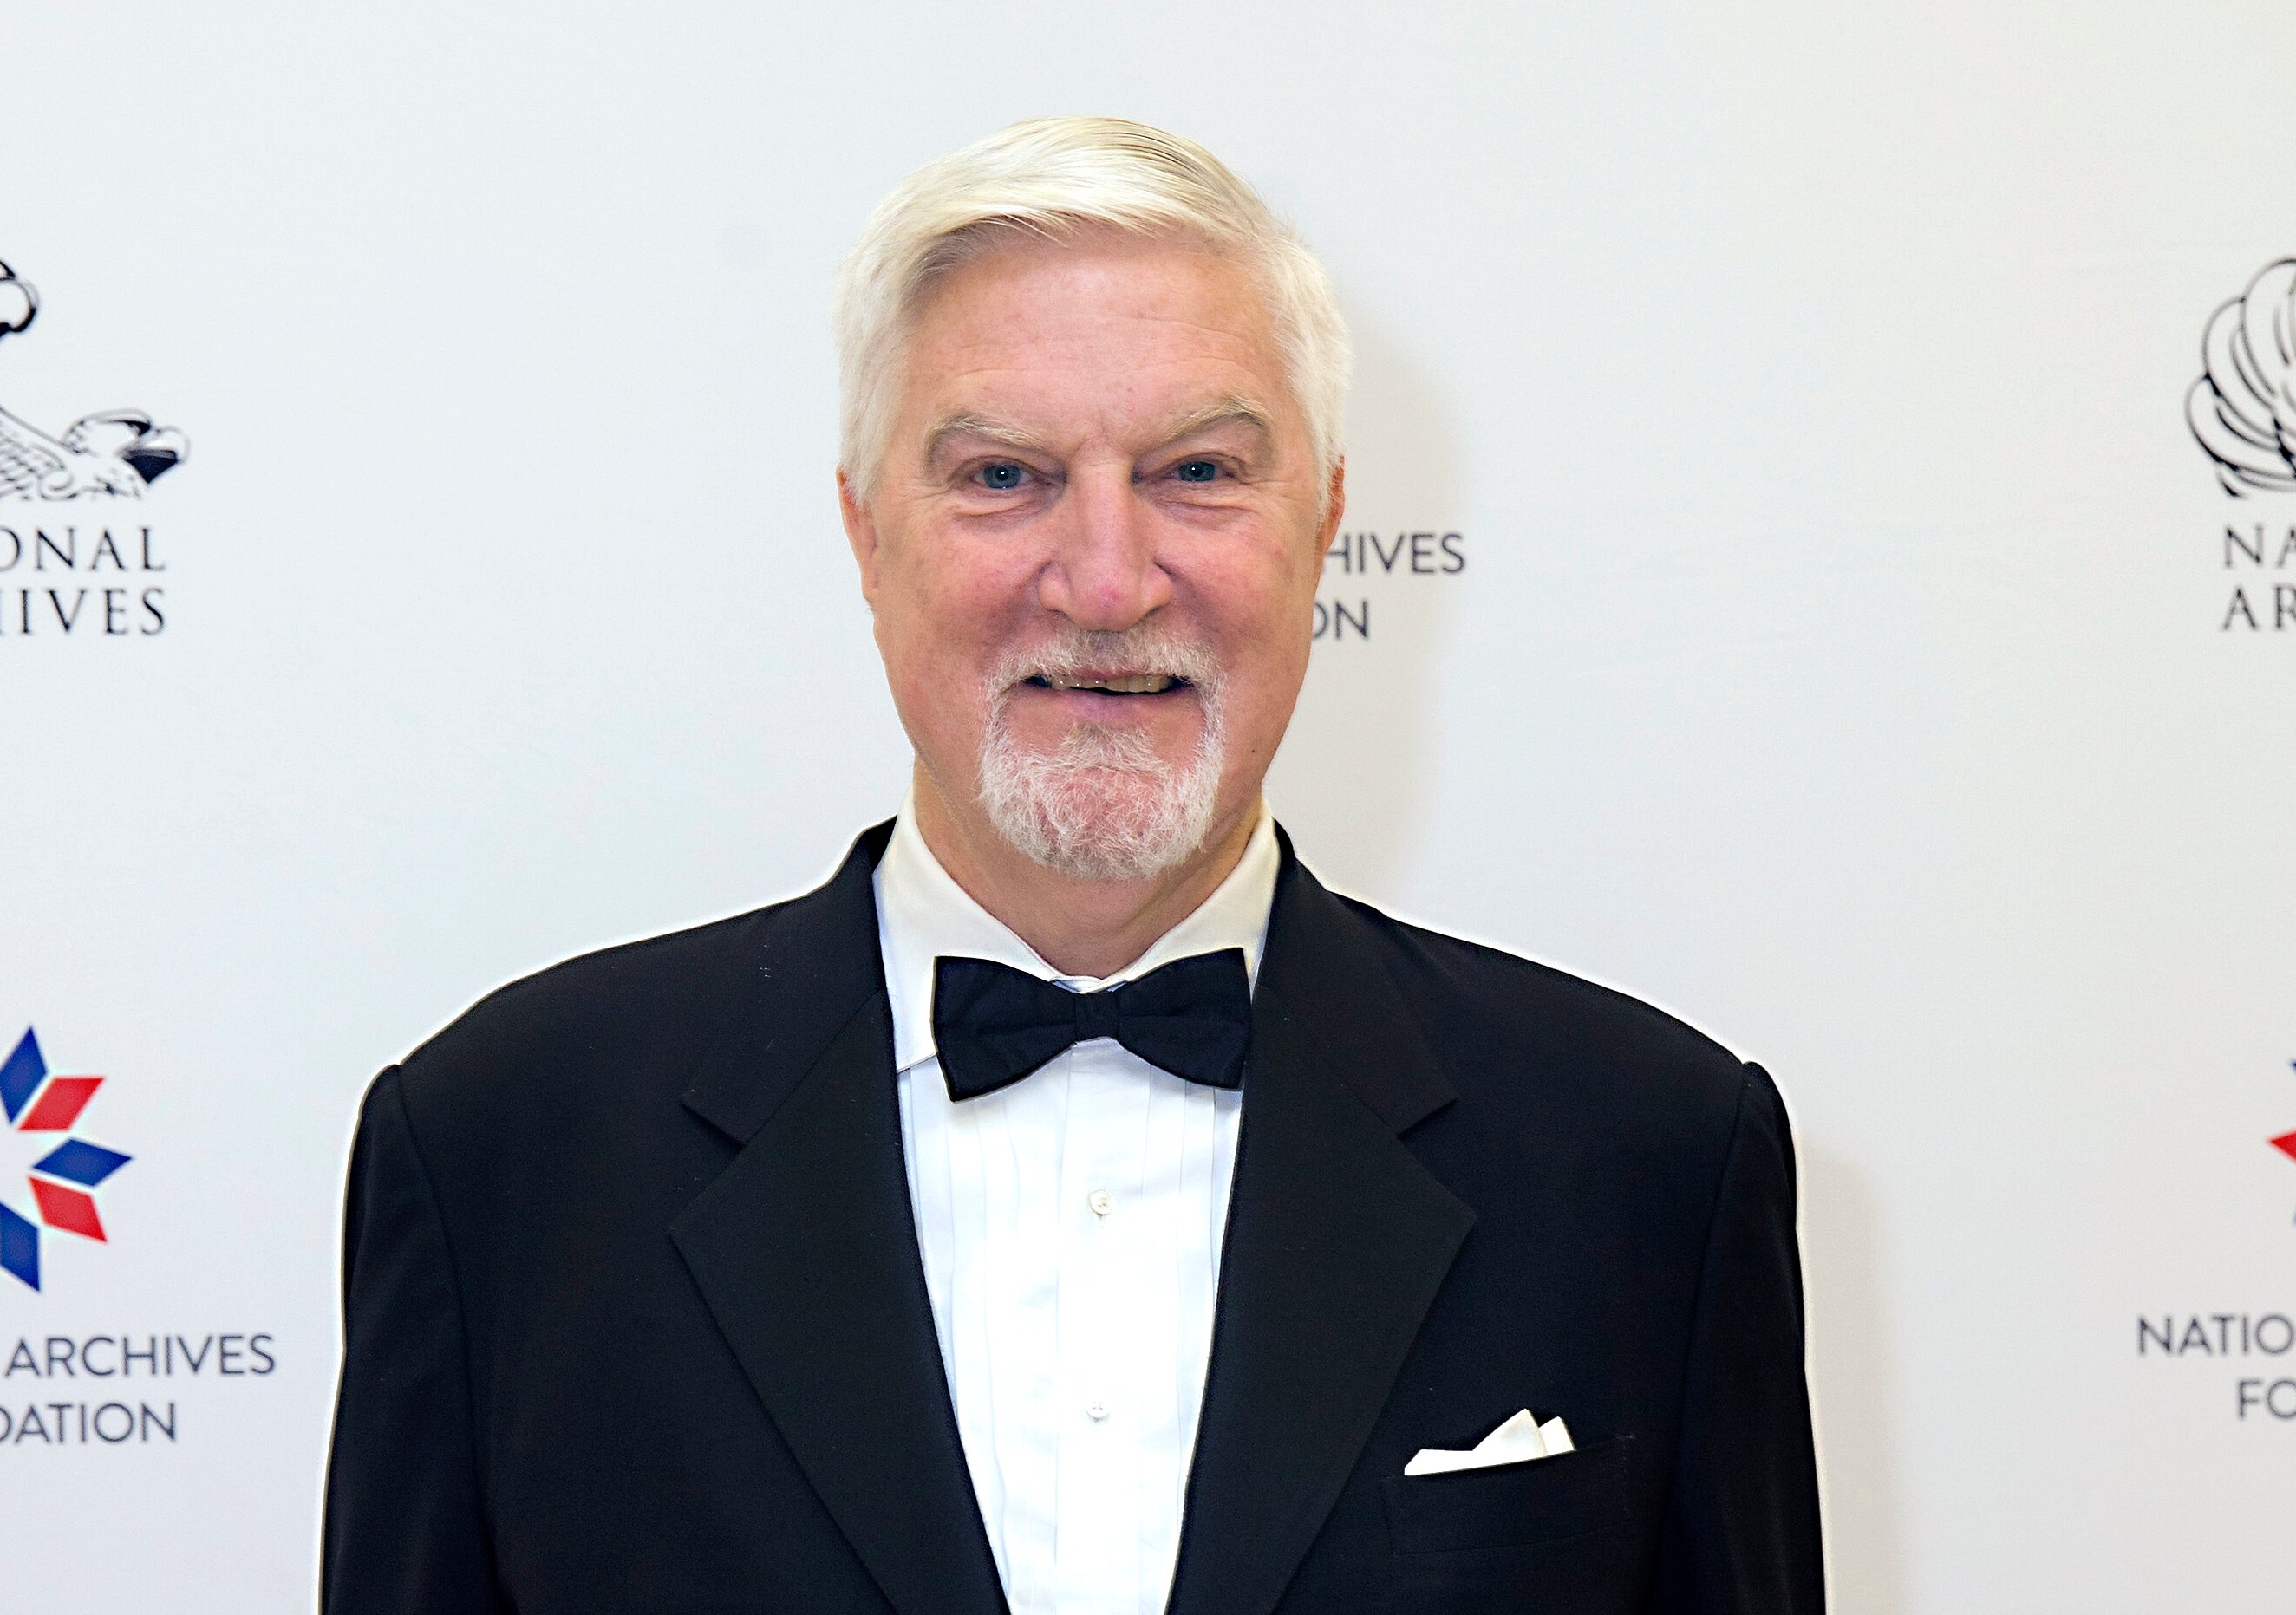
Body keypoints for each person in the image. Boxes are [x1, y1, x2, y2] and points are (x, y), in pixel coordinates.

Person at [323, 116, 1823, 1615]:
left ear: (1326, 522)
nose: (1106, 581)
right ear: (862, 532)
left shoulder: (1650, 1159)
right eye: (1002, 476)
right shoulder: (497, 1155)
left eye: (1195, 469)